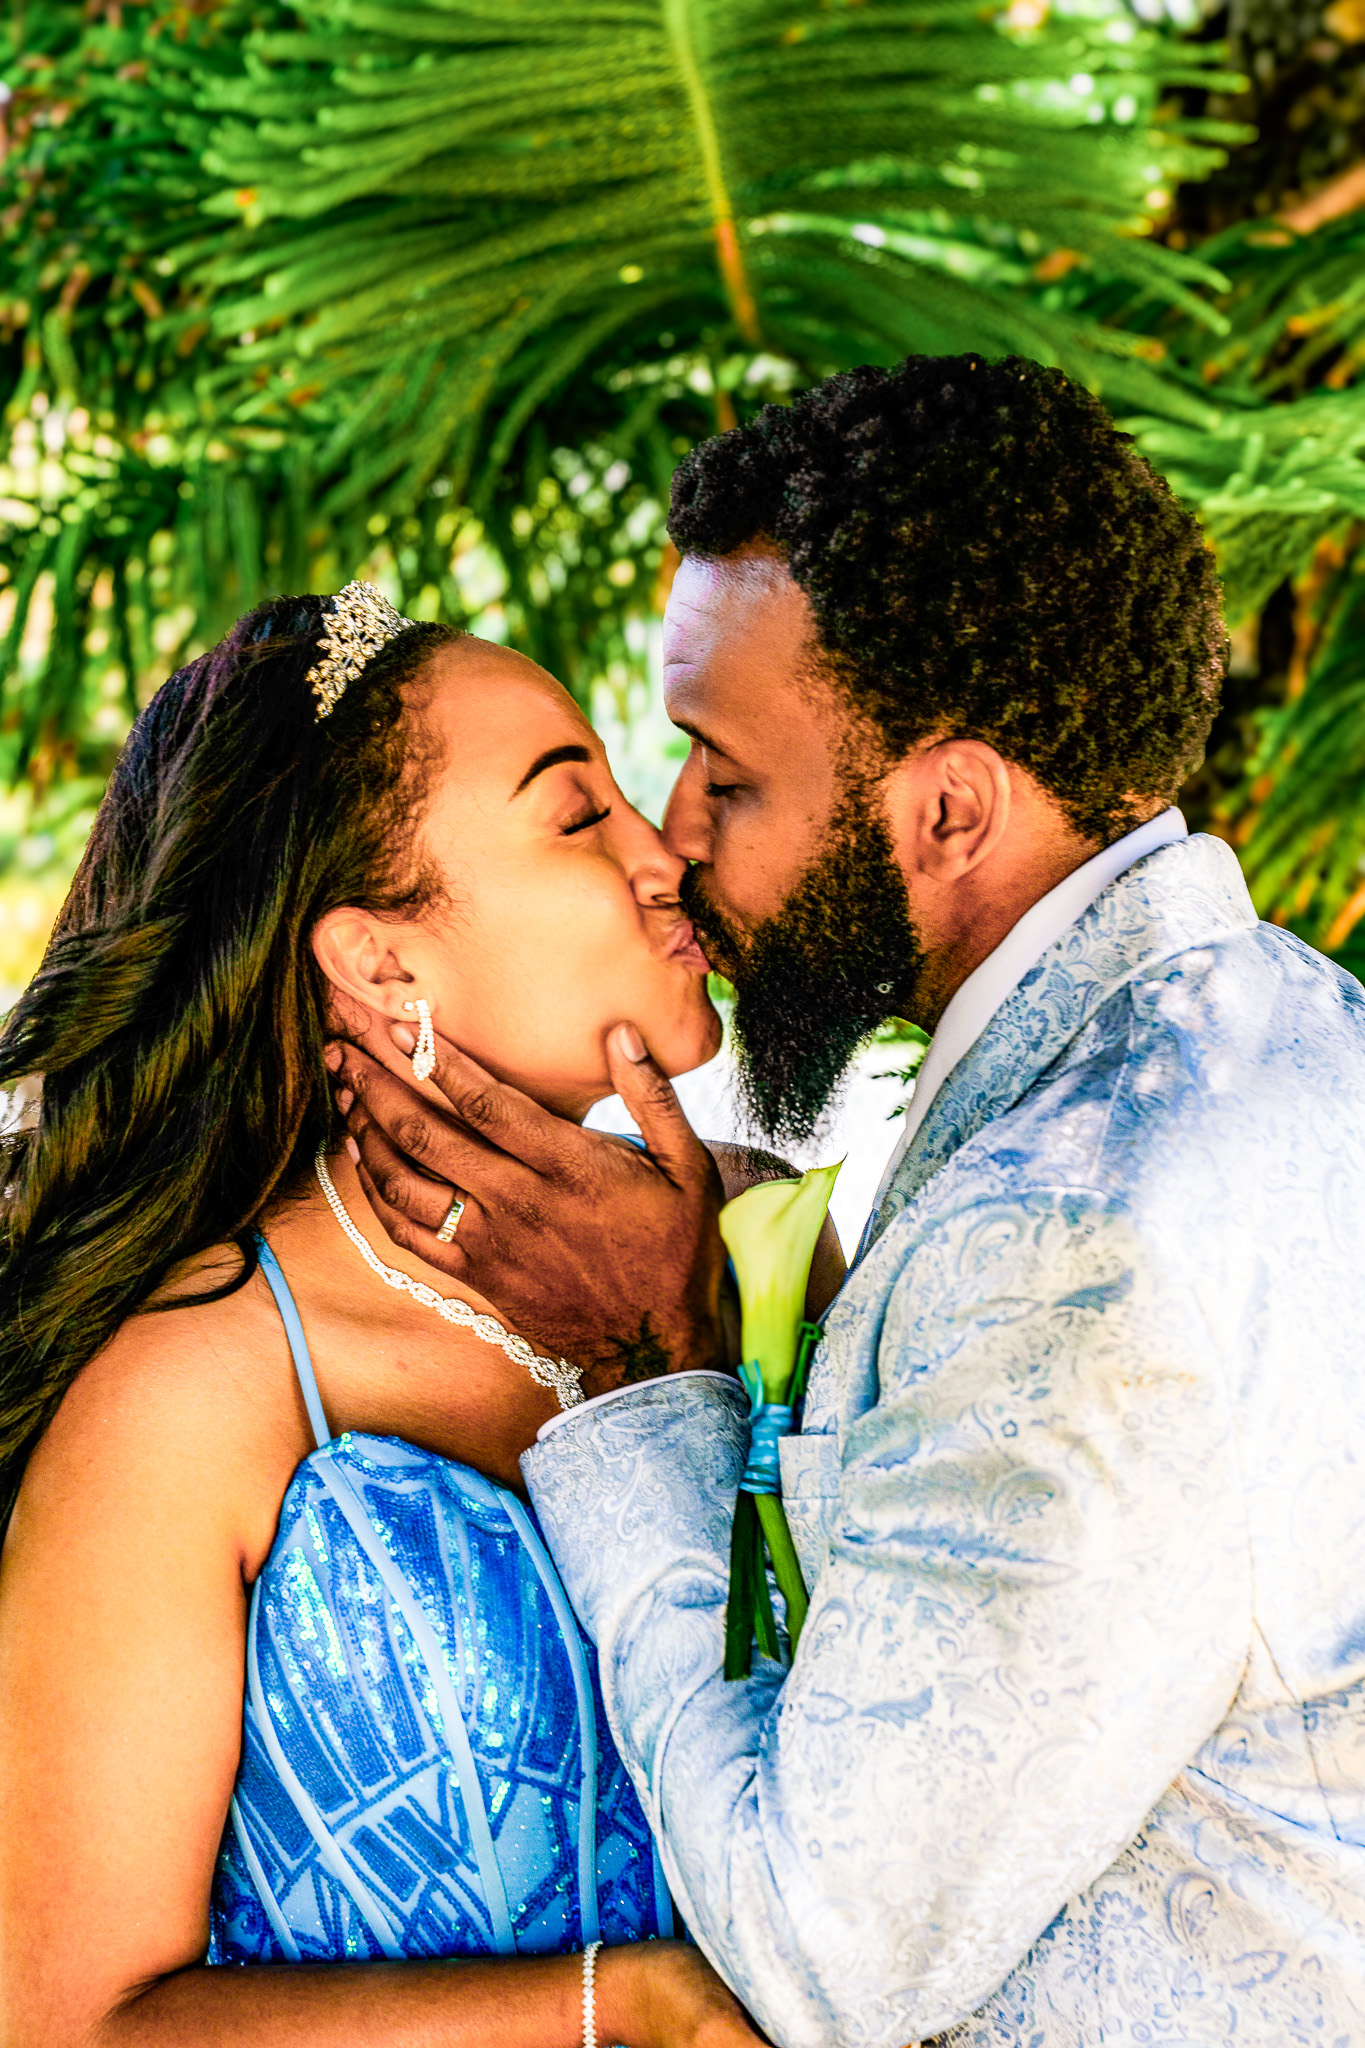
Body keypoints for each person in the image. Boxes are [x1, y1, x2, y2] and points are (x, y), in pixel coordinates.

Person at [332, 355, 1365, 2045]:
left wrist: (659, 1365)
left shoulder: (1073, 1234)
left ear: (944, 807)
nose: (669, 845)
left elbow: (829, 1962)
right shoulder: (1292, 1033)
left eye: (721, 778)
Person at [0, 586, 776, 2047]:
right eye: (574, 814)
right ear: (379, 962)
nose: (663, 852)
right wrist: (628, 2009)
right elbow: (70, 2022)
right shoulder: (200, 1386)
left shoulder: (771, 1247)